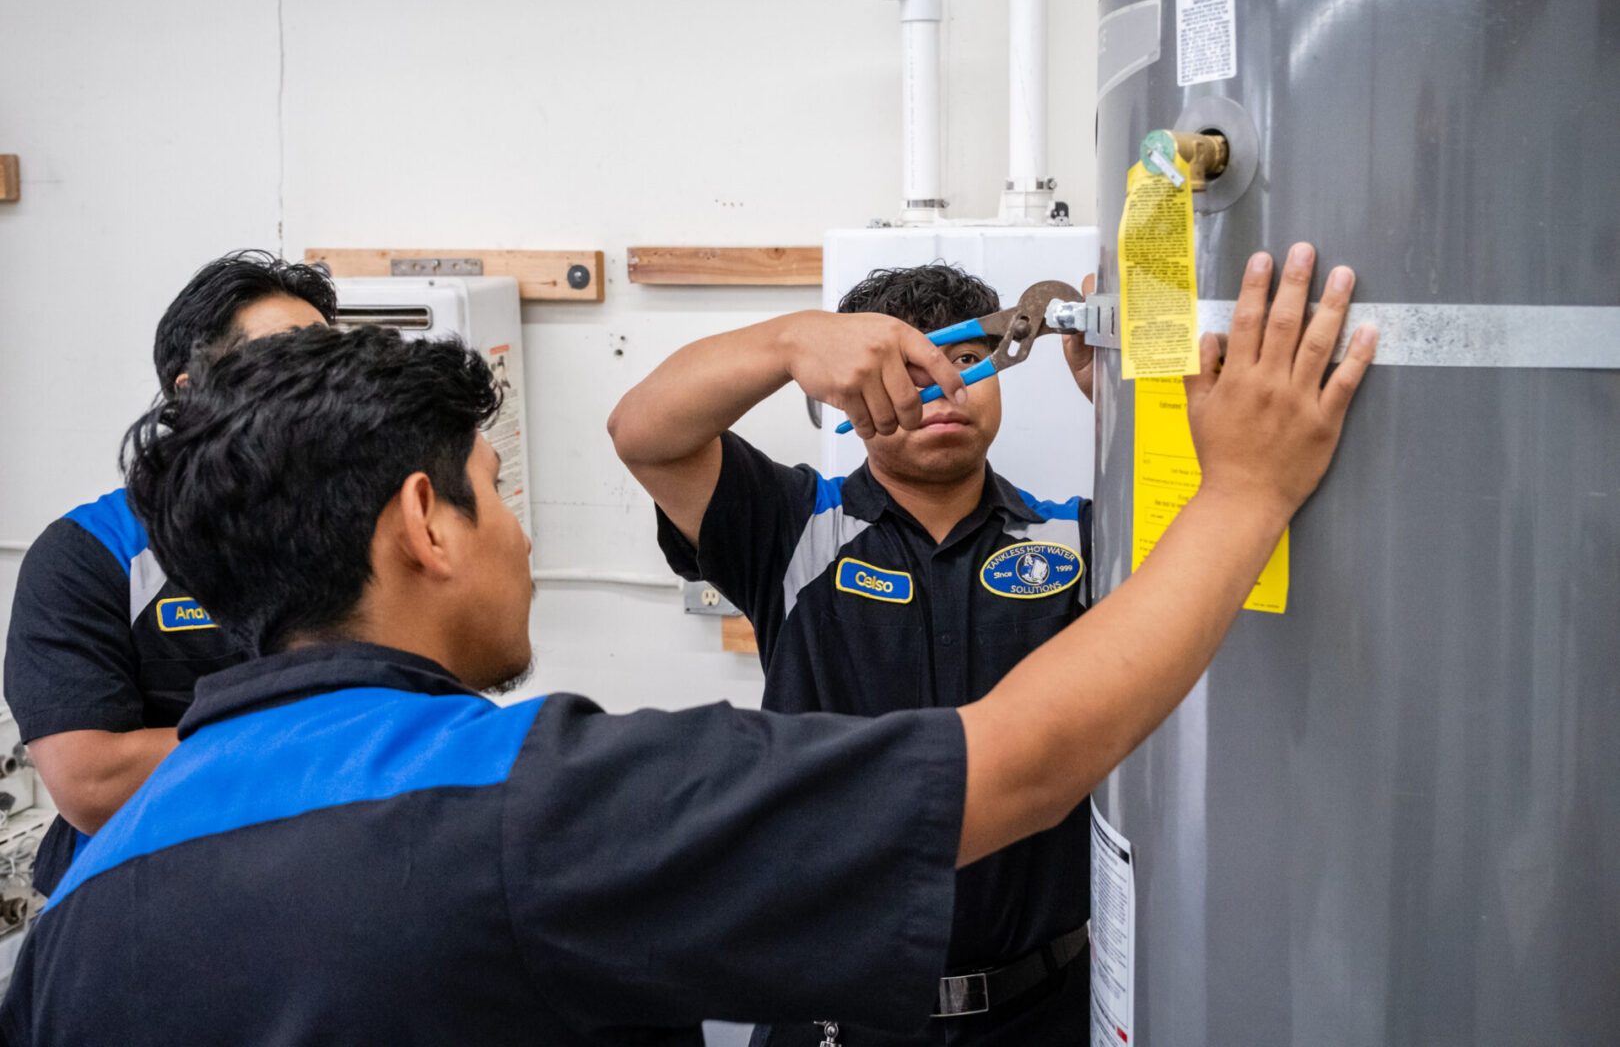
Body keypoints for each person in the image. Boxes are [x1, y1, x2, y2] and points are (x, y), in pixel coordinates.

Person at [0, 246, 1373, 1045]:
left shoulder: (92, 899)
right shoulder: (533, 809)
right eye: (498, 486)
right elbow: (1008, 765)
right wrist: (1244, 488)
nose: (526, 536)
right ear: (427, 521)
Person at [606, 262, 1098, 1043]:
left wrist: (1125, 404)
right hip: (835, 1014)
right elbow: (643, 432)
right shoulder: (790, 525)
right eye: (907, 369)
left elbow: (1214, 556)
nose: (943, 386)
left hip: (1047, 1009)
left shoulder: (1078, 540)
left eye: (969, 359)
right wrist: (793, 339)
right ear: (847, 390)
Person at [1, 251, 335, 896]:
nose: (313, 384)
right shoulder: (90, 553)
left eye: (325, 361)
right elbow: (91, 781)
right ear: (191, 392)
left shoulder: (367, 533)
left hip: (315, 882)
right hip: (133, 897)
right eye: (282, 360)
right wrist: (319, 734)